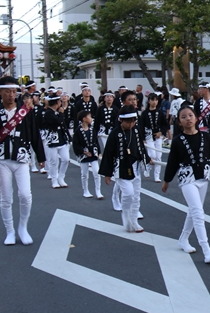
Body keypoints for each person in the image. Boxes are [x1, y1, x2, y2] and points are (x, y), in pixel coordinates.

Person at [162, 105, 210, 264]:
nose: (188, 119)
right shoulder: (177, 141)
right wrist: (167, 181)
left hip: (203, 177)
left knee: (194, 210)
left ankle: (183, 239)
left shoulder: (205, 136)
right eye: (183, 117)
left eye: (190, 115)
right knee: (197, 212)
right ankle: (206, 250)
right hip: (187, 179)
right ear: (179, 122)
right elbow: (172, 163)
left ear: (196, 118)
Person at [0, 76, 46, 246]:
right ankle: (10, 231)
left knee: (25, 195)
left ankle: (23, 227)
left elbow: (34, 133)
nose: (11, 95)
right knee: (6, 198)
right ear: (0, 92)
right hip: (1, 160)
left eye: (14, 91)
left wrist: (41, 157)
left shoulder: (25, 111)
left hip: (22, 158)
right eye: (7, 91)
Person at [99, 105, 153, 233]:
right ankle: (127, 218)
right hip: (121, 167)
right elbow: (108, 153)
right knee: (128, 193)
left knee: (136, 196)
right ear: (121, 120)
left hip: (135, 166)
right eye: (128, 121)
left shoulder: (136, 130)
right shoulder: (115, 133)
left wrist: (146, 158)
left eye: (133, 121)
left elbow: (141, 147)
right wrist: (107, 173)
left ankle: (134, 221)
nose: (131, 124)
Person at [72, 110, 103, 199]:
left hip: (93, 154)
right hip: (84, 155)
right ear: (84, 119)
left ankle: (98, 191)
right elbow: (75, 144)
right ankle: (85, 191)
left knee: (97, 172)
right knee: (84, 174)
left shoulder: (92, 129)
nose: (91, 118)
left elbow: (96, 142)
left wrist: (99, 152)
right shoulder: (78, 131)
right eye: (89, 117)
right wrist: (83, 152)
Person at [43, 94, 71, 189]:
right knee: (53, 162)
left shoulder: (58, 112)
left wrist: (68, 136)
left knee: (66, 159)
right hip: (52, 140)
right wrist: (61, 114)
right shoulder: (48, 113)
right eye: (59, 101)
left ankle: (61, 177)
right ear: (57, 102)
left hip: (62, 139)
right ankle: (54, 180)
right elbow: (58, 121)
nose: (61, 103)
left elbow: (63, 125)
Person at [142, 93, 168, 183]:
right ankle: (147, 167)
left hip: (158, 136)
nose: (154, 102)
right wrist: (142, 138)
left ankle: (157, 176)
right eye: (152, 100)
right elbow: (141, 126)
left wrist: (161, 132)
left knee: (158, 156)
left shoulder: (160, 112)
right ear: (149, 101)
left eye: (156, 100)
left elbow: (165, 124)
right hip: (148, 135)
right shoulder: (145, 113)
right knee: (152, 155)